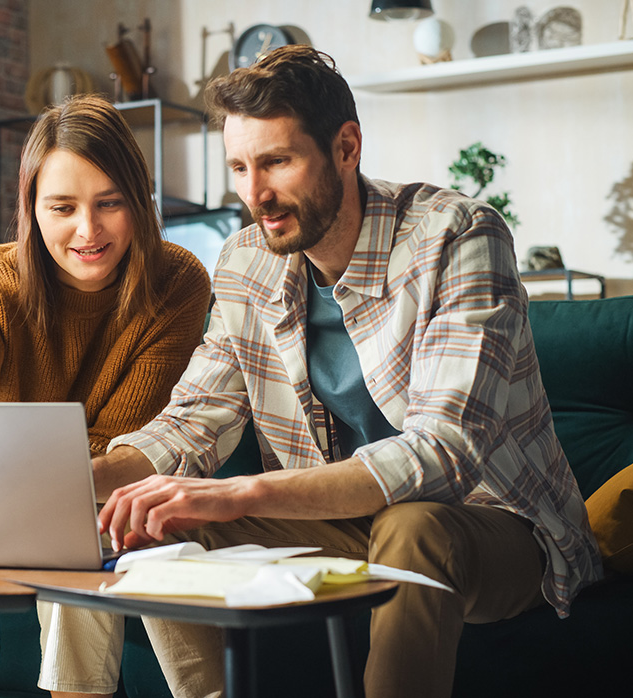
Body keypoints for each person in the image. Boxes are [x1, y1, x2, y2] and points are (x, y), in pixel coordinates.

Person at [38, 46, 602, 698]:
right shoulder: (247, 260)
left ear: (346, 147)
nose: (256, 194)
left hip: (493, 526)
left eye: (277, 161)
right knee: (146, 523)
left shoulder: (456, 236)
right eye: (241, 167)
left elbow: (444, 455)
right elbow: (196, 419)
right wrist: (80, 484)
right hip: (335, 524)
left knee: (412, 527)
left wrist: (242, 492)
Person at [0, 94, 212, 696]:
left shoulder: (178, 282)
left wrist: (9, 469)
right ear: (32, 209)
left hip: (95, 490)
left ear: (139, 202)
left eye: (110, 203)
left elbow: (122, 445)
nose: (88, 230)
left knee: (88, 525)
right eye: (62, 207)